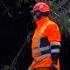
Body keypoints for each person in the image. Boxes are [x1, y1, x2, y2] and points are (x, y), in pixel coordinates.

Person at [28, 2, 61, 70]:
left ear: (38, 13)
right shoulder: (38, 29)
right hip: (37, 65)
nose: (33, 16)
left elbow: (55, 45)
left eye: (34, 13)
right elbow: (37, 52)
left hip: (47, 66)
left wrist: (54, 63)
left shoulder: (50, 25)